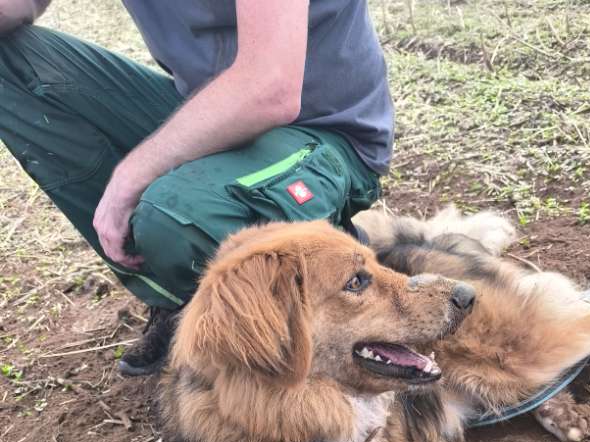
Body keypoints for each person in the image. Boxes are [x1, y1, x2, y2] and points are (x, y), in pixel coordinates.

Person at [0, 1, 394, 374]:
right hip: (215, 110)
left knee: (173, 214)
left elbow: (269, 86)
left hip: (324, 130)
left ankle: (323, 259)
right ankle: (181, 297)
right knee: (9, 63)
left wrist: (130, 177)